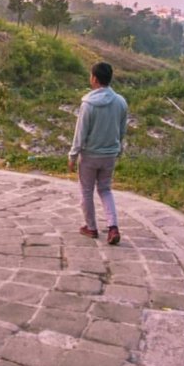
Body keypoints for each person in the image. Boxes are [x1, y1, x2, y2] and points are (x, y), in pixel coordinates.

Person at [68, 61, 128, 245]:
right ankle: (113, 227)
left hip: (90, 156)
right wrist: (118, 148)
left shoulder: (88, 104)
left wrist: (73, 155)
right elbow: (121, 130)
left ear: (94, 78)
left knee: (86, 191)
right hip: (110, 154)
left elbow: (80, 133)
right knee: (105, 189)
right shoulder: (120, 102)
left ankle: (91, 227)